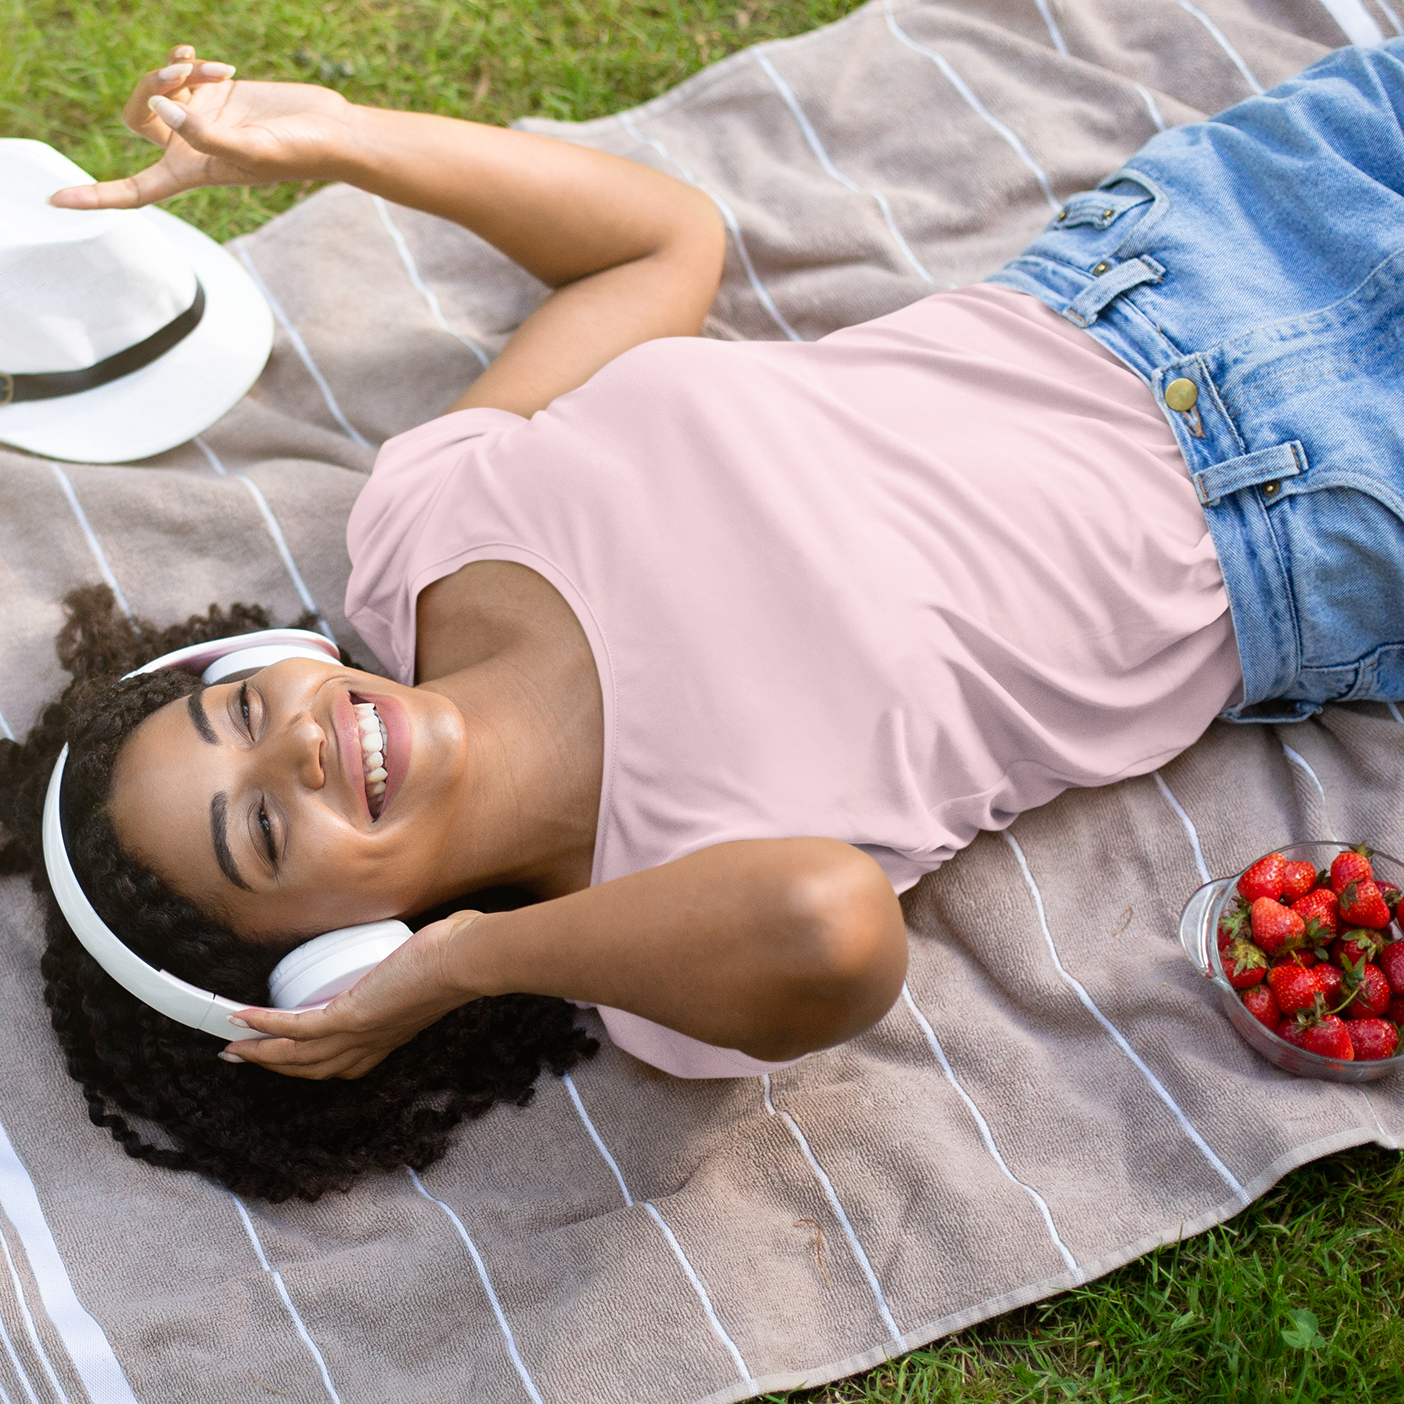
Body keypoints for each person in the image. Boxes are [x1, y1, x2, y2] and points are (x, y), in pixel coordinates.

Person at [3, 37, 1402, 1200]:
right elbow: (834, 926)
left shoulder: (416, 531)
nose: (294, 749)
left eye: (239, 710)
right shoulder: (656, 949)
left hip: (1196, 244)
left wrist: (341, 136)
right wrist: (468, 967)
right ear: (327, 965)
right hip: (1324, 522)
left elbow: (658, 246)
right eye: (260, 829)